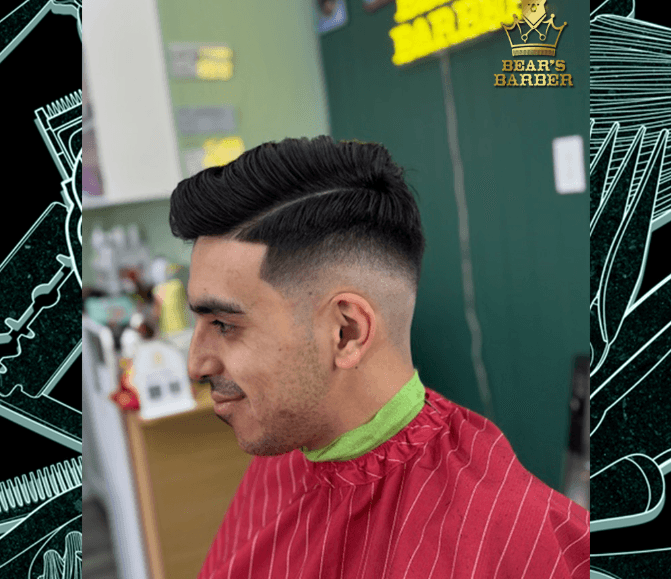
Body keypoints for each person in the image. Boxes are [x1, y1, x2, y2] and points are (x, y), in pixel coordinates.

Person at [169, 136, 590, 578]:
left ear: (347, 332)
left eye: (224, 324)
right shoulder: (280, 454)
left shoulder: (520, 540)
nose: (196, 364)